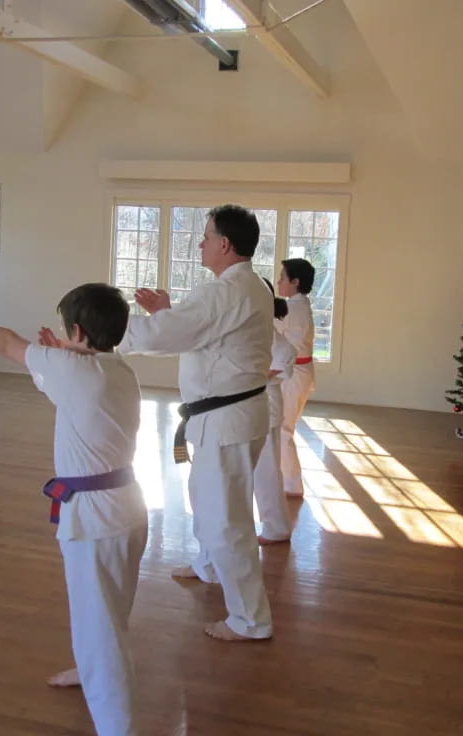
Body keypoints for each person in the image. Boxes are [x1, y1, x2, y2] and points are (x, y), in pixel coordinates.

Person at [0, 282, 148, 736]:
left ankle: (117, 726)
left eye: (67, 332)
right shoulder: (118, 371)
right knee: (106, 610)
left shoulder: (74, 368)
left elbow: (5, 340)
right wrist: (61, 355)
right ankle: (88, 671)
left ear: (77, 331)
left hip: (96, 519)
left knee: (101, 626)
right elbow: (66, 389)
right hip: (126, 510)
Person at [118, 204, 274, 642]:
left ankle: (251, 620)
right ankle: (209, 565)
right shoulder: (244, 286)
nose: (201, 243)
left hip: (227, 418)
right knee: (205, 496)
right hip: (226, 416)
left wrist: (101, 331)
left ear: (225, 244)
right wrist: (168, 312)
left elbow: (169, 335)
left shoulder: (226, 292)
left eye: (206, 236)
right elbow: (197, 333)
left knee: (228, 519)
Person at [254, 279, 296, 545]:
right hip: (253, 405)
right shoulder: (257, 329)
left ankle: (276, 527)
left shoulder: (270, 334)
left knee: (266, 468)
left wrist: (254, 377)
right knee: (258, 469)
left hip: (265, 404)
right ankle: (273, 525)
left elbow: (285, 355)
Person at [275, 258, 316, 497]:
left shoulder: (295, 308)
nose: (279, 281)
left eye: (282, 278)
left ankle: (291, 485)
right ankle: (286, 480)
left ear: (296, 282)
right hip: (298, 374)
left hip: (295, 375)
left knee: (283, 429)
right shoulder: (297, 305)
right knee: (283, 427)